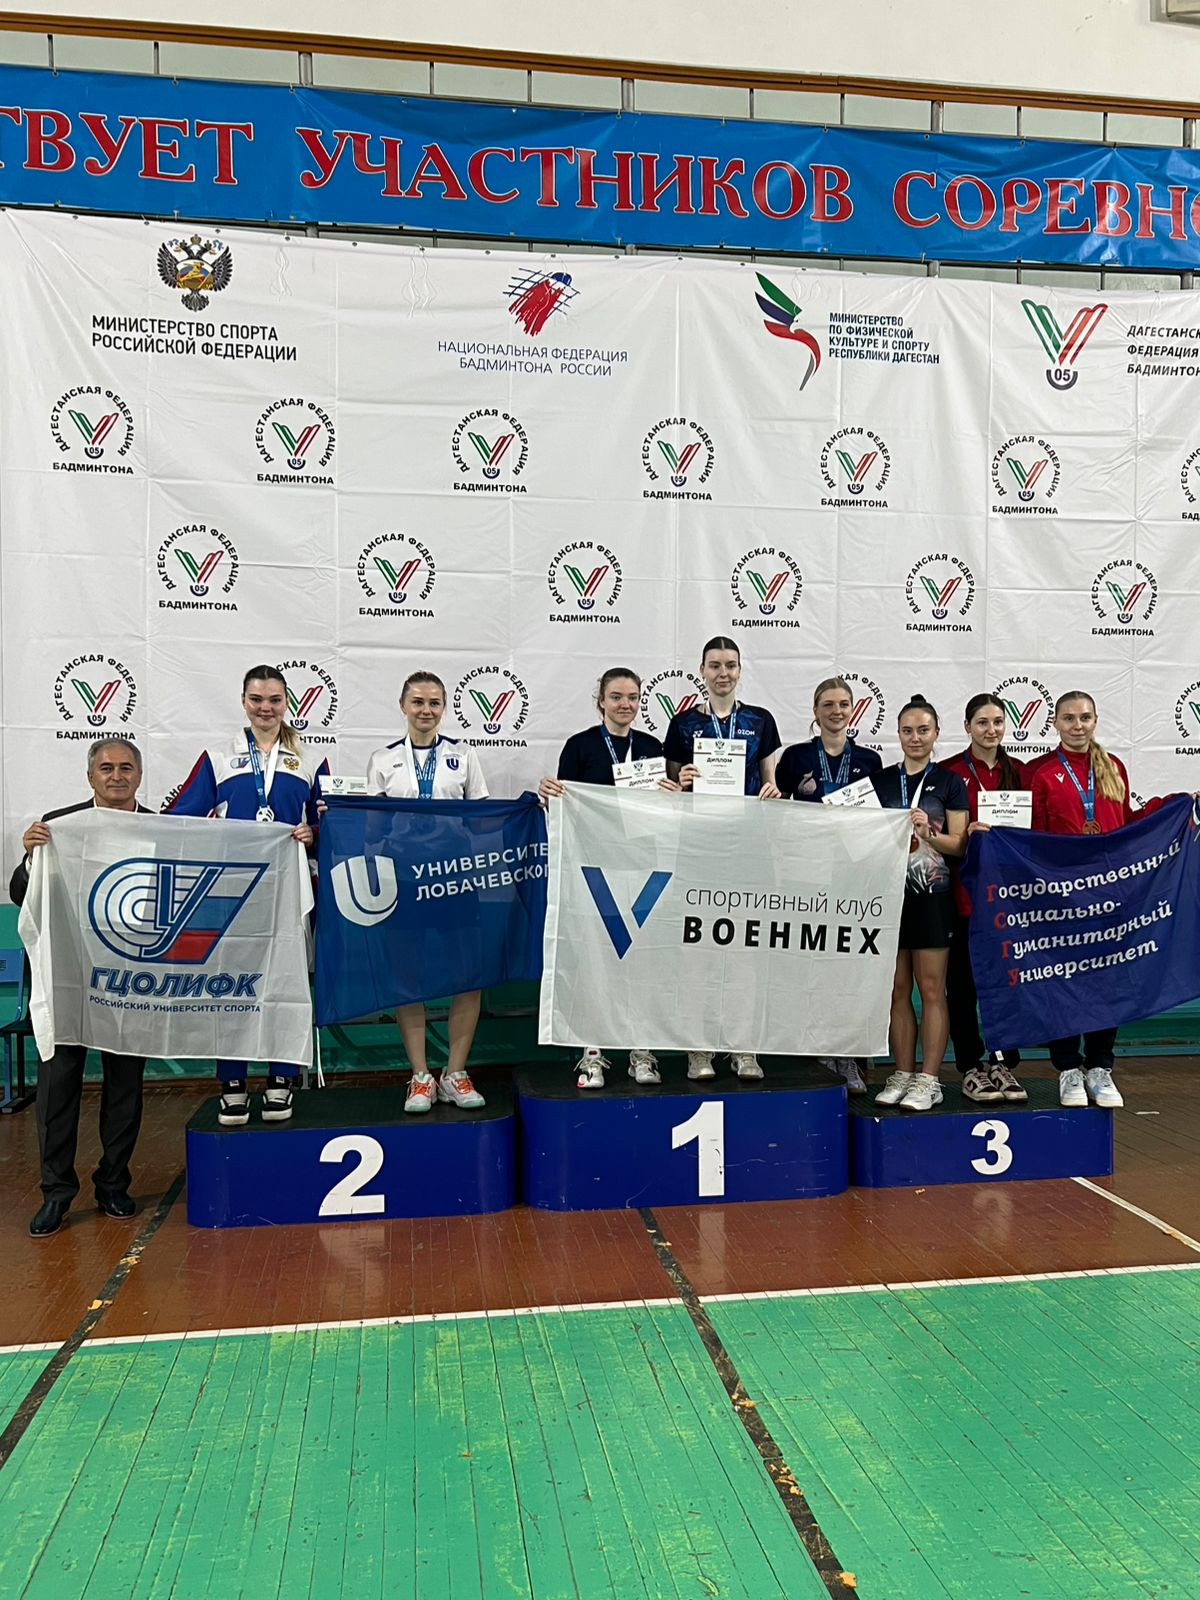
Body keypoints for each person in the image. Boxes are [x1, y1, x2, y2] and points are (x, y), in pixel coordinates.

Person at [166, 664, 324, 1127]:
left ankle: (281, 1078)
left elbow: (330, 823)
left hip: (287, 891)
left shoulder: (310, 760)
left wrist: (313, 833)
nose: (265, 708)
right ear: (243, 701)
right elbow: (180, 817)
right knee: (231, 986)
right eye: (257, 699)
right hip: (230, 893)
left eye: (274, 700)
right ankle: (232, 1081)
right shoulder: (218, 758)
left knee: (285, 985)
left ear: (286, 703)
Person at [9, 739, 151, 1237]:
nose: (117, 775)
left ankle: (113, 1183)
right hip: (68, 977)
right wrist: (30, 859)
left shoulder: (161, 830)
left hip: (131, 981)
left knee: (125, 1086)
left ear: (139, 775)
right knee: (57, 1088)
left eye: (126, 767)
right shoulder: (59, 825)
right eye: (106, 768)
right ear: (90, 777)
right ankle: (56, 1193)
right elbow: (20, 893)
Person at [538, 666, 680, 1089]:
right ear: (600, 700)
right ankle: (592, 1054)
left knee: (641, 961)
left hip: (643, 869)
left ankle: (642, 1051)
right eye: (616, 697)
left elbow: (663, 814)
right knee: (593, 960)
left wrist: (673, 797)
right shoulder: (580, 746)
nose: (625, 705)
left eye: (633, 697)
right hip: (595, 870)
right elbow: (564, 806)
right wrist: (549, 796)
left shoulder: (652, 747)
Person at [366, 671, 490, 1115]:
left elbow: (481, 819)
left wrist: (521, 810)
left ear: (444, 708)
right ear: (403, 706)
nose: (426, 710)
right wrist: (337, 811)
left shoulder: (464, 755)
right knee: (408, 977)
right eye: (418, 702)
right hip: (404, 880)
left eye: (435, 702)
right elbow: (372, 829)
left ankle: (455, 1072)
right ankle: (420, 1075)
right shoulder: (383, 759)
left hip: (454, 878)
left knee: (468, 975)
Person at [664, 635, 781, 1081]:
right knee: (698, 950)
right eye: (714, 665)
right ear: (702, 671)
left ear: (740, 670)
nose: (723, 673)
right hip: (698, 847)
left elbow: (769, 781)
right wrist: (683, 778)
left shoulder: (760, 720)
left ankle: (743, 1046)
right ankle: (699, 1049)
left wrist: (772, 793)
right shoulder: (683, 724)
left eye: (730, 665)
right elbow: (671, 786)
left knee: (745, 950)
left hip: (747, 846)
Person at [1027, 691, 1146, 1110]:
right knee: (1063, 981)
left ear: (1095, 721)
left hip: (1109, 894)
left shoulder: (1113, 767)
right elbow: (1033, 839)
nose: (1077, 725)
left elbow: (1127, 825)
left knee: (1105, 982)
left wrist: (1176, 806)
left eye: (1084, 717)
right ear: (1055, 723)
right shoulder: (1041, 773)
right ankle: (1068, 1068)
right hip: (1061, 897)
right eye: (1069, 718)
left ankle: (1099, 1066)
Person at [776, 675, 883, 1095]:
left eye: (843, 705)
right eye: (828, 705)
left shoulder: (871, 761)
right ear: (815, 711)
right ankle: (820, 1049)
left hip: (854, 875)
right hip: (808, 873)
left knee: (851, 964)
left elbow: (880, 819)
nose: (836, 712)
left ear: (852, 710)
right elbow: (776, 810)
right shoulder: (795, 757)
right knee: (815, 962)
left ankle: (849, 1054)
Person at [870, 695, 969, 1112]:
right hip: (888, 897)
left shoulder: (950, 783)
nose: (915, 737)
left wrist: (929, 832)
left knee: (930, 989)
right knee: (896, 990)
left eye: (923, 730)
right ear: (898, 734)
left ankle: (929, 1079)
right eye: (908, 731)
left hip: (932, 897)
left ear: (936, 734)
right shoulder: (880, 781)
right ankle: (902, 1072)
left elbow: (959, 845)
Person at [942, 694, 1028, 1104]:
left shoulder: (1020, 772)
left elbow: (1035, 833)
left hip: (1007, 898)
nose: (990, 730)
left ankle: (1003, 1063)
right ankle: (971, 1066)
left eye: (997, 722)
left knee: (1007, 981)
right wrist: (966, 834)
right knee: (962, 984)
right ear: (967, 727)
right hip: (963, 893)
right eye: (982, 722)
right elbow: (941, 835)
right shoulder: (949, 773)